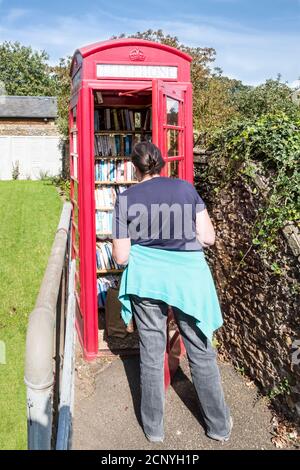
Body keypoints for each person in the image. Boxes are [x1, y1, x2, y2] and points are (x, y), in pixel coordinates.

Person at [112, 142, 232, 443]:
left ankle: (153, 429)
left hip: (147, 280)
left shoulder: (125, 198)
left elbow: (121, 257)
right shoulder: (185, 189)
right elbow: (208, 237)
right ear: (162, 164)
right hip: (188, 280)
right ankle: (218, 427)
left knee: (152, 353)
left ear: (135, 167)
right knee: (202, 353)